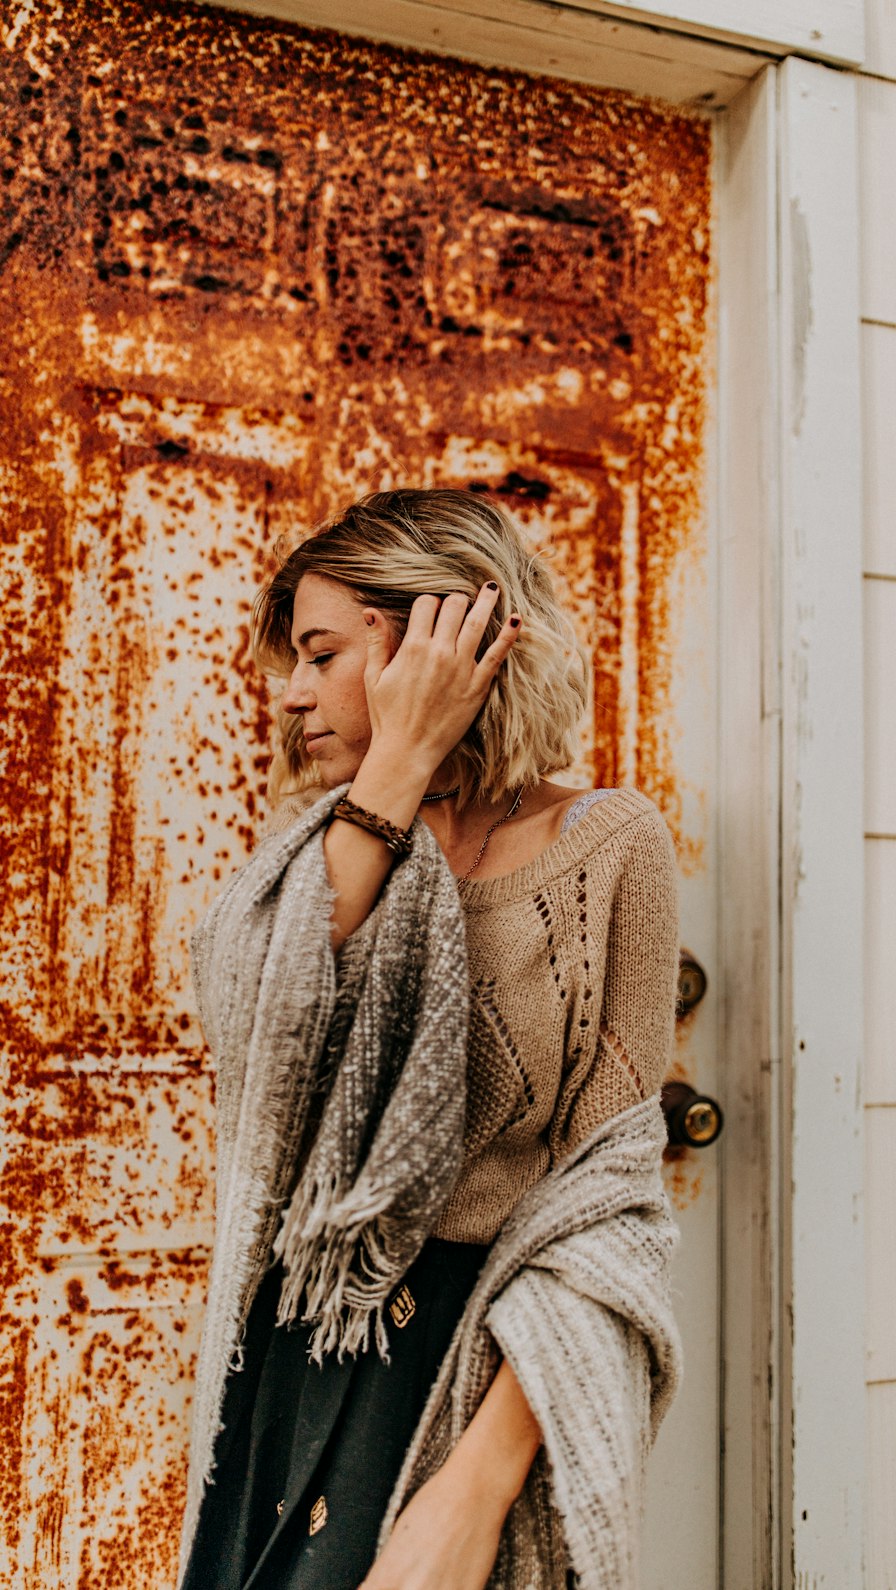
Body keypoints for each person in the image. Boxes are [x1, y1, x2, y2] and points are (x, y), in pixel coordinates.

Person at [175, 488, 682, 1590]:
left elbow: (613, 1196)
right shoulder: (325, 851)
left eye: (319, 654)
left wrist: (478, 1486)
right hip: (299, 1345)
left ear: (443, 640)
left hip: (483, 1357)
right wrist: (398, 765)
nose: (289, 693)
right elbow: (260, 1032)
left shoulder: (608, 846)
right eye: (289, 664)